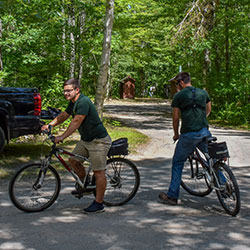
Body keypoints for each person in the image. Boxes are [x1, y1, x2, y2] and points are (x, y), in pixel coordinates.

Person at [42, 78, 111, 214]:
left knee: (99, 172)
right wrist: (50, 124)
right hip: (86, 140)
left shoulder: (83, 102)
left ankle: (99, 203)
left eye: (68, 91)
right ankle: (85, 184)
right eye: (64, 91)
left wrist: (62, 137)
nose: (66, 93)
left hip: (99, 141)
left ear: (77, 90)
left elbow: (76, 121)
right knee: (73, 161)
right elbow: (64, 115)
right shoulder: (73, 102)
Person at [159, 72, 211, 205]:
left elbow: (176, 118)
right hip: (204, 132)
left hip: (188, 134)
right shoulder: (203, 93)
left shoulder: (178, 96)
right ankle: (224, 186)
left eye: (177, 83)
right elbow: (208, 110)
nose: (177, 86)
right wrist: (200, 119)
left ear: (181, 82)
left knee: (177, 162)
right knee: (212, 159)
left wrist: (176, 134)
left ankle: (172, 196)